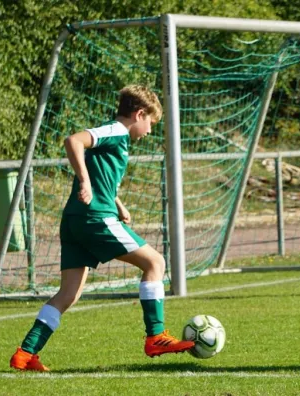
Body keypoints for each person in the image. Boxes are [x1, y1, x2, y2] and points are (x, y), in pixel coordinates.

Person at [10, 85, 194, 371]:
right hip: (94, 218)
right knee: (155, 262)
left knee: (69, 293)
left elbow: (99, 173)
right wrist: (84, 181)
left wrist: (117, 202)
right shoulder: (116, 131)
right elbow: (73, 140)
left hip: (75, 220)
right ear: (140, 114)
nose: (149, 131)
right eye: (150, 124)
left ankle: (26, 353)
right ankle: (156, 336)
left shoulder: (117, 139)